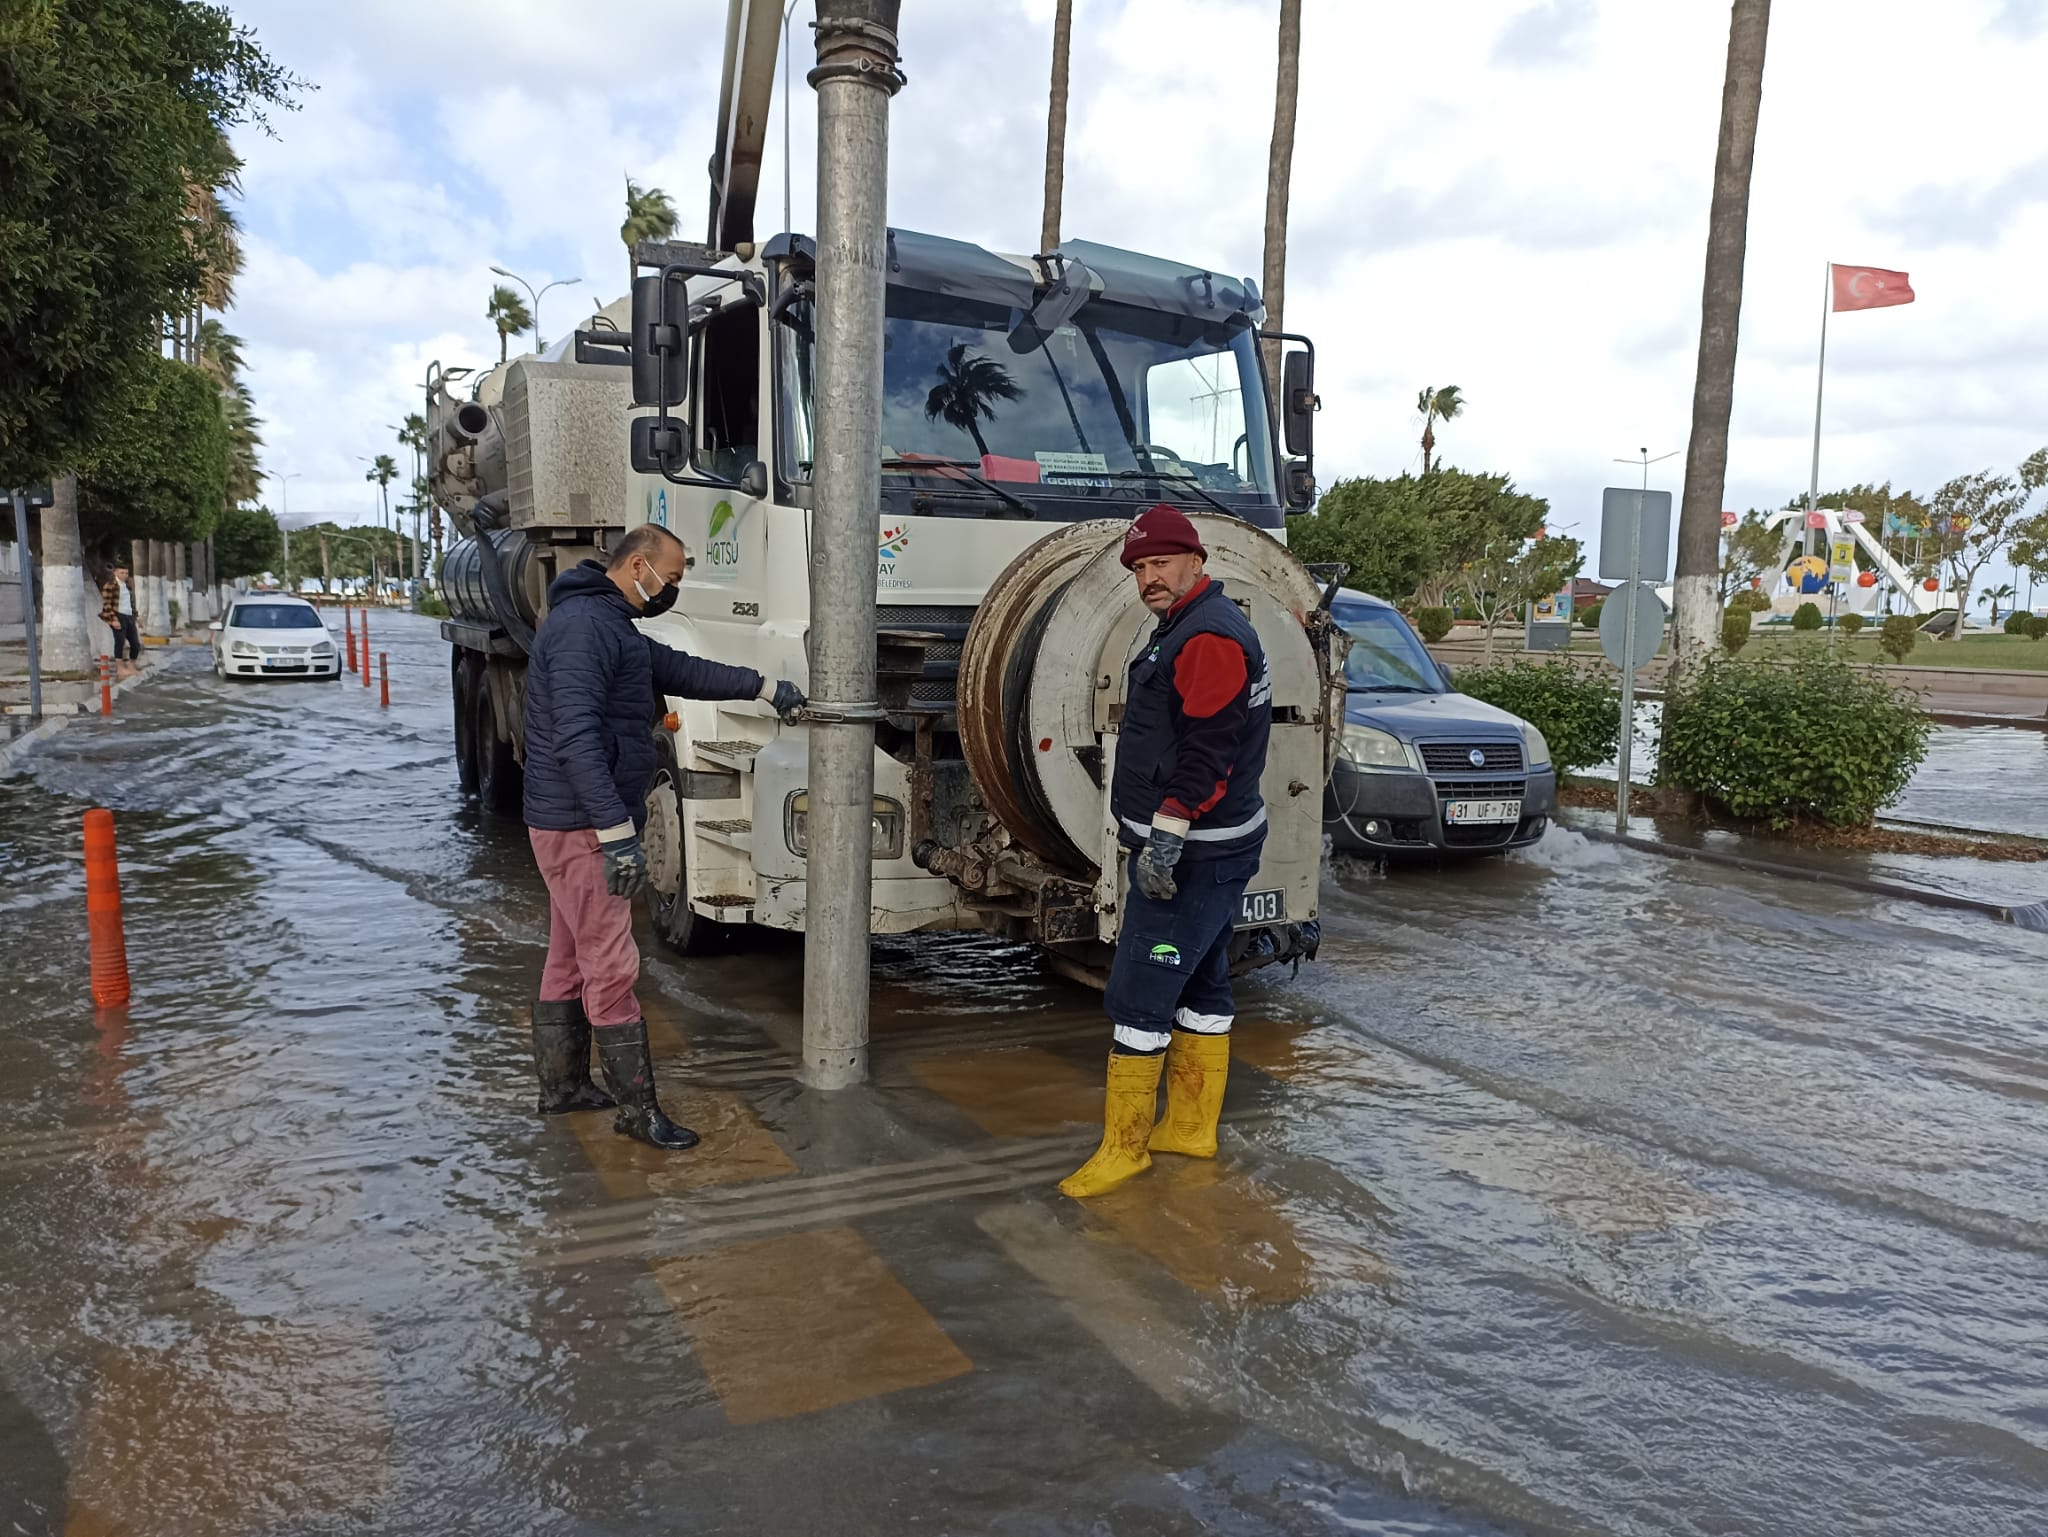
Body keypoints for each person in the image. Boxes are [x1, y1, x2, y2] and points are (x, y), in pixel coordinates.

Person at [522, 523, 806, 1151]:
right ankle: (637, 1111)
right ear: (638, 565)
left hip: (572, 821)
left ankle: (564, 1089)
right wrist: (616, 831)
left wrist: (763, 688)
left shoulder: (609, 623)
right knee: (612, 962)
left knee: (570, 955)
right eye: (671, 578)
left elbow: (679, 667)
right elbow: (575, 738)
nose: (671, 589)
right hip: (579, 824)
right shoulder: (583, 630)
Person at [1061, 503, 1274, 1199]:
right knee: (1204, 985)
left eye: (1160, 562)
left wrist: (1165, 838)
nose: (1148, 576)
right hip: (1213, 848)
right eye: (1139, 566)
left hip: (1193, 855)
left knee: (1139, 995)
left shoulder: (1208, 637)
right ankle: (1190, 1126)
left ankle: (1125, 1149)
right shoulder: (1183, 626)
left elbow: (1210, 754)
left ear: (1196, 561)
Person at [100, 565, 140, 669]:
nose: (125, 575)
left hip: (129, 616)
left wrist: (136, 616)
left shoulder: (128, 585)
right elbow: (107, 604)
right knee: (120, 642)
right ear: (116, 573)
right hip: (118, 615)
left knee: (135, 644)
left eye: (126, 573)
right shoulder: (110, 585)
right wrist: (113, 619)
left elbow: (131, 603)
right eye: (122, 573)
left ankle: (132, 666)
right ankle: (120, 668)